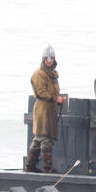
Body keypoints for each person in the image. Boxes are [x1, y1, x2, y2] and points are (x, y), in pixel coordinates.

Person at [28, 45, 66, 173]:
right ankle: (46, 167)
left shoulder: (52, 74)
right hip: (42, 109)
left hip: (50, 109)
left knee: (40, 139)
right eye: (47, 58)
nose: (49, 61)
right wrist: (56, 99)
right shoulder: (39, 74)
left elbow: (53, 91)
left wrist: (58, 98)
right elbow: (41, 92)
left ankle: (30, 166)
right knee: (44, 138)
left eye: (52, 58)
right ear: (44, 59)